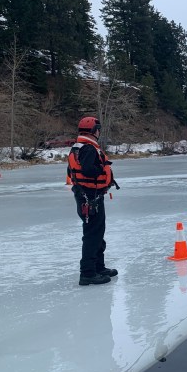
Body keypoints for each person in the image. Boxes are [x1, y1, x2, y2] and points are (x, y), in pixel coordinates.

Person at [68, 116, 119, 286]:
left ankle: (98, 267)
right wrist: (102, 168)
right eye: (98, 129)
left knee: (97, 232)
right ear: (94, 131)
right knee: (92, 234)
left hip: (87, 194)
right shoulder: (89, 149)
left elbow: (71, 171)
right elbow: (88, 170)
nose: (99, 132)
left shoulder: (78, 147)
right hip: (89, 197)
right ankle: (88, 273)